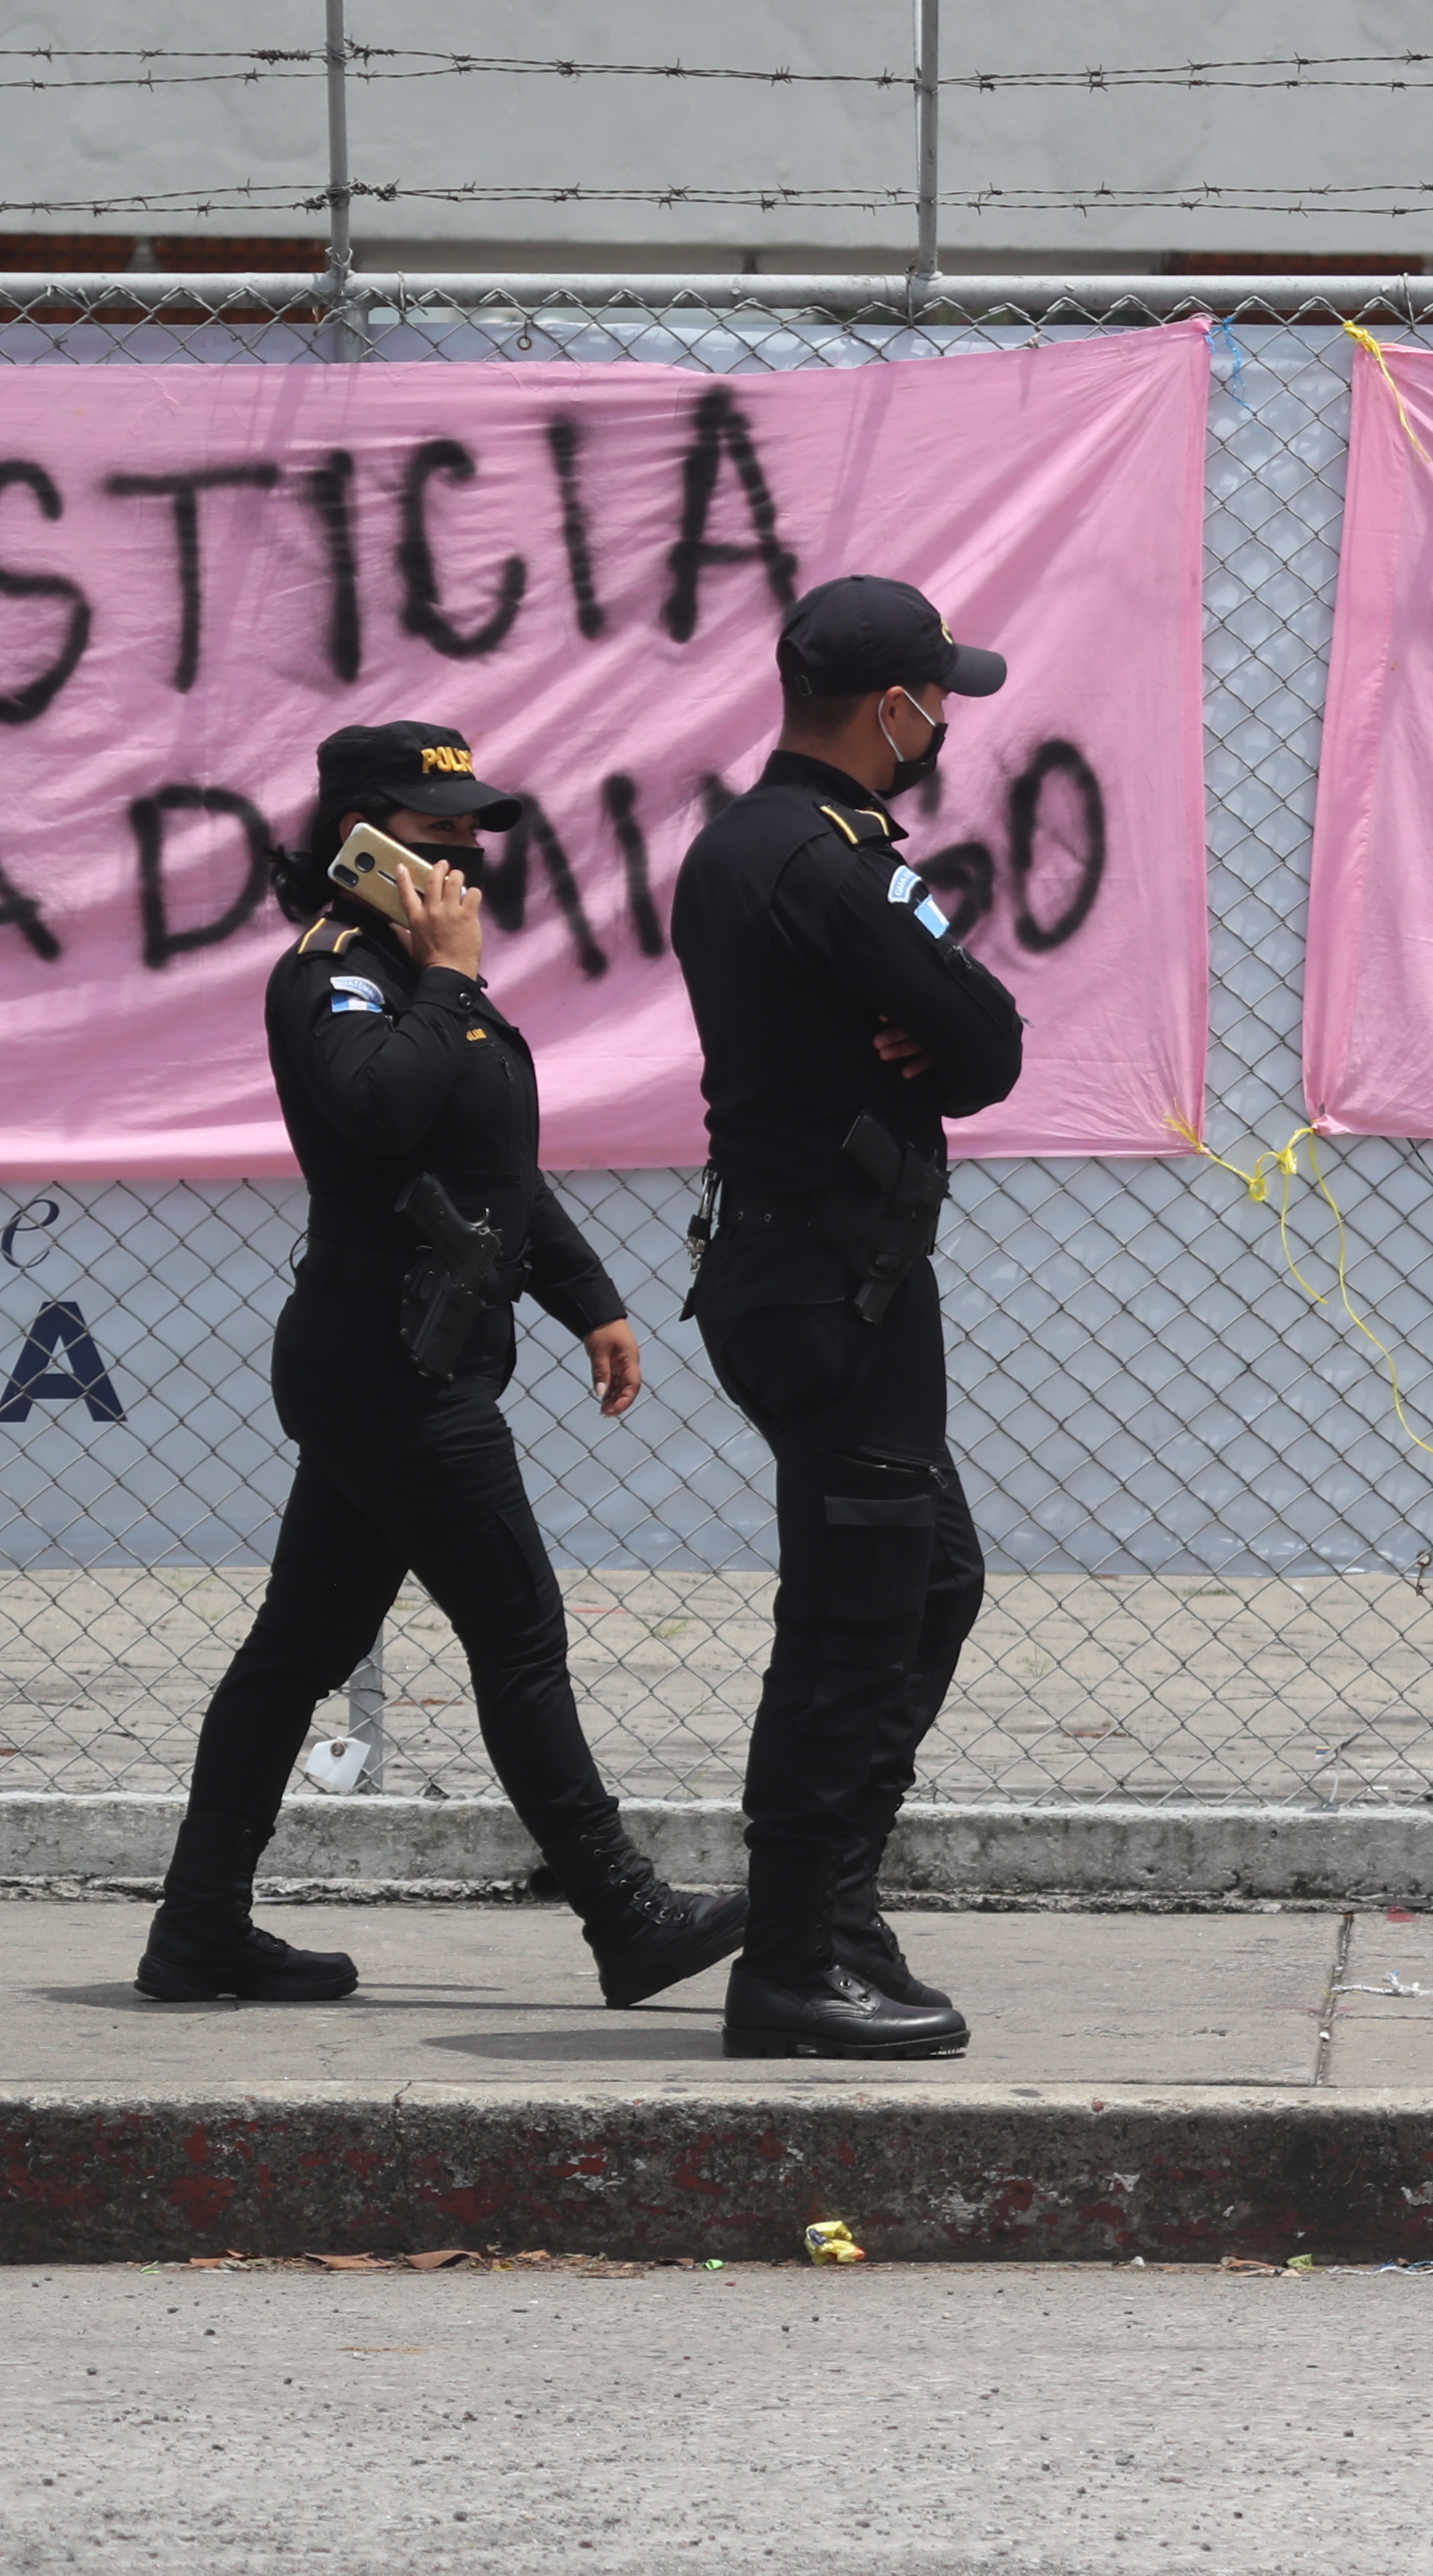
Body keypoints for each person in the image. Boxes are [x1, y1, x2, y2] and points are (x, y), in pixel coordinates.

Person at [136, 724, 749, 2010]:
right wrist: (453, 981)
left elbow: (488, 1174)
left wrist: (589, 1301)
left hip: (416, 1357)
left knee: (297, 1646)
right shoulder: (338, 976)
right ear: (362, 843)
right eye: (438, 833)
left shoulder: (415, 974)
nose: (469, 857)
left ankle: (198, 1930)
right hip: (387, 1368)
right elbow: (376, 1112)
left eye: (476, 832)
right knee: (518, 1635)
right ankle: (625, 1915)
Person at [672, 577, 1026, 2060]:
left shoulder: (738, 844)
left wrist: (931, 1034)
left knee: (928, 1582)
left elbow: (951, 1042)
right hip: (835, 1284)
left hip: (802, 1274)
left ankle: (835, 1907)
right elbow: (989, 1044)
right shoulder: (836, 862)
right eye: (935, 696)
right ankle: (795, 1961)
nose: (945, 719)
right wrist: (936, 1032)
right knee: (851, 1621)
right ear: (887, 708)